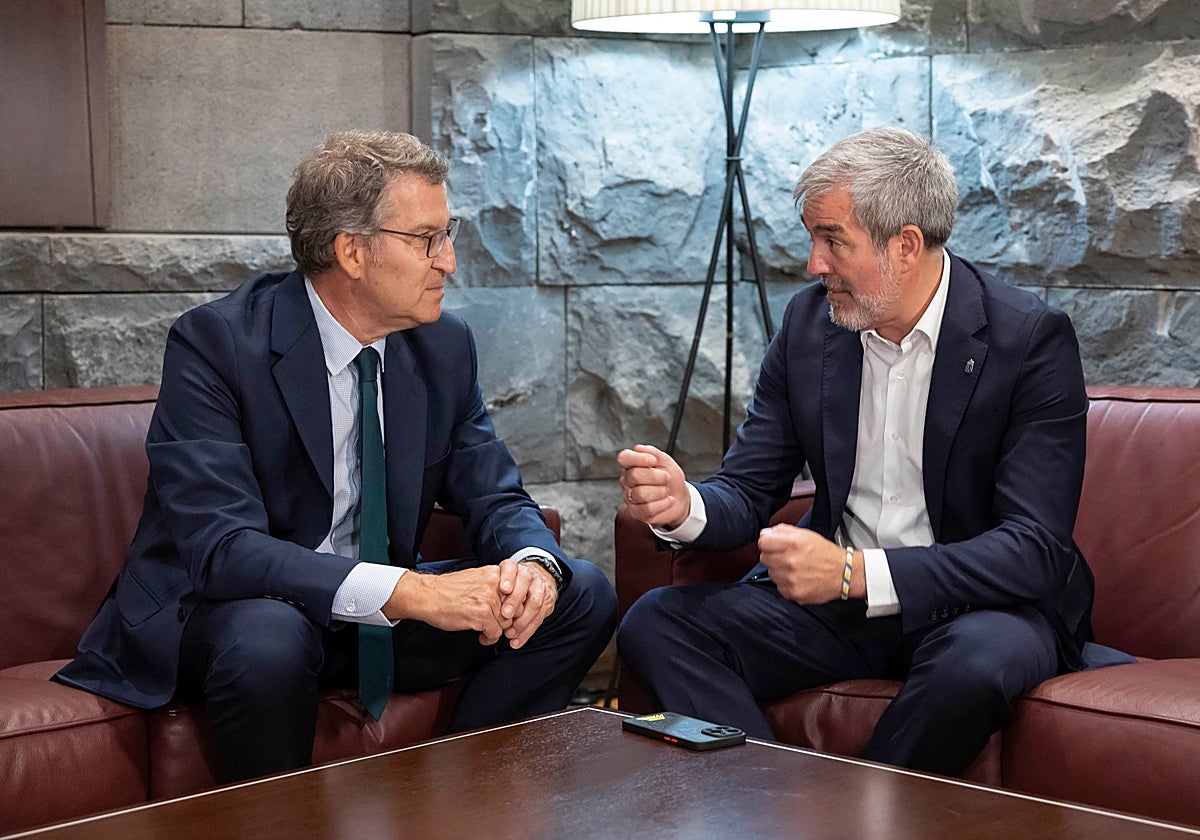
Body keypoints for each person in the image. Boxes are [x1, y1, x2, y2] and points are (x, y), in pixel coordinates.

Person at [56, 129, 617, 782]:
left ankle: (462, 801)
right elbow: (223, 548)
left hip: (369, 616)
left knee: (579, 593)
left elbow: (493, 494)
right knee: (270, 638)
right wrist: (414, 593)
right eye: (426, 239)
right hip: (229, 613)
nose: (450, 261)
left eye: (448, 233)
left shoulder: (441, 346)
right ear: (351, 250)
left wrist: (530, 565)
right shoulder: (217, 345)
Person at [616, 126, 1097, 776]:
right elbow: (751, 488)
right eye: (813, 238)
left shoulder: (1028, 340)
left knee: (974, 665)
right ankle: (772, 807)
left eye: (832, 240)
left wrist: (853, 573)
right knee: (658, 623)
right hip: (835, 613)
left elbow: (1034, 549)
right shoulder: (810, 326)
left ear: (905, 245)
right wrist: (684, 507)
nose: (814, 264)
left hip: (980, 610)